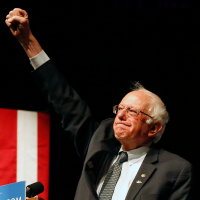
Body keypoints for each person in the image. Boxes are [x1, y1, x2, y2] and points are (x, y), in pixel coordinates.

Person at [5, 8, 193, 200]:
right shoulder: (99, 148)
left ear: (154, 127)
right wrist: (28, 42)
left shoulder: (175, 170)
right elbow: (66, 103)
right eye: (119, 109)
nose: (120, 115)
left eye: (132, 111)